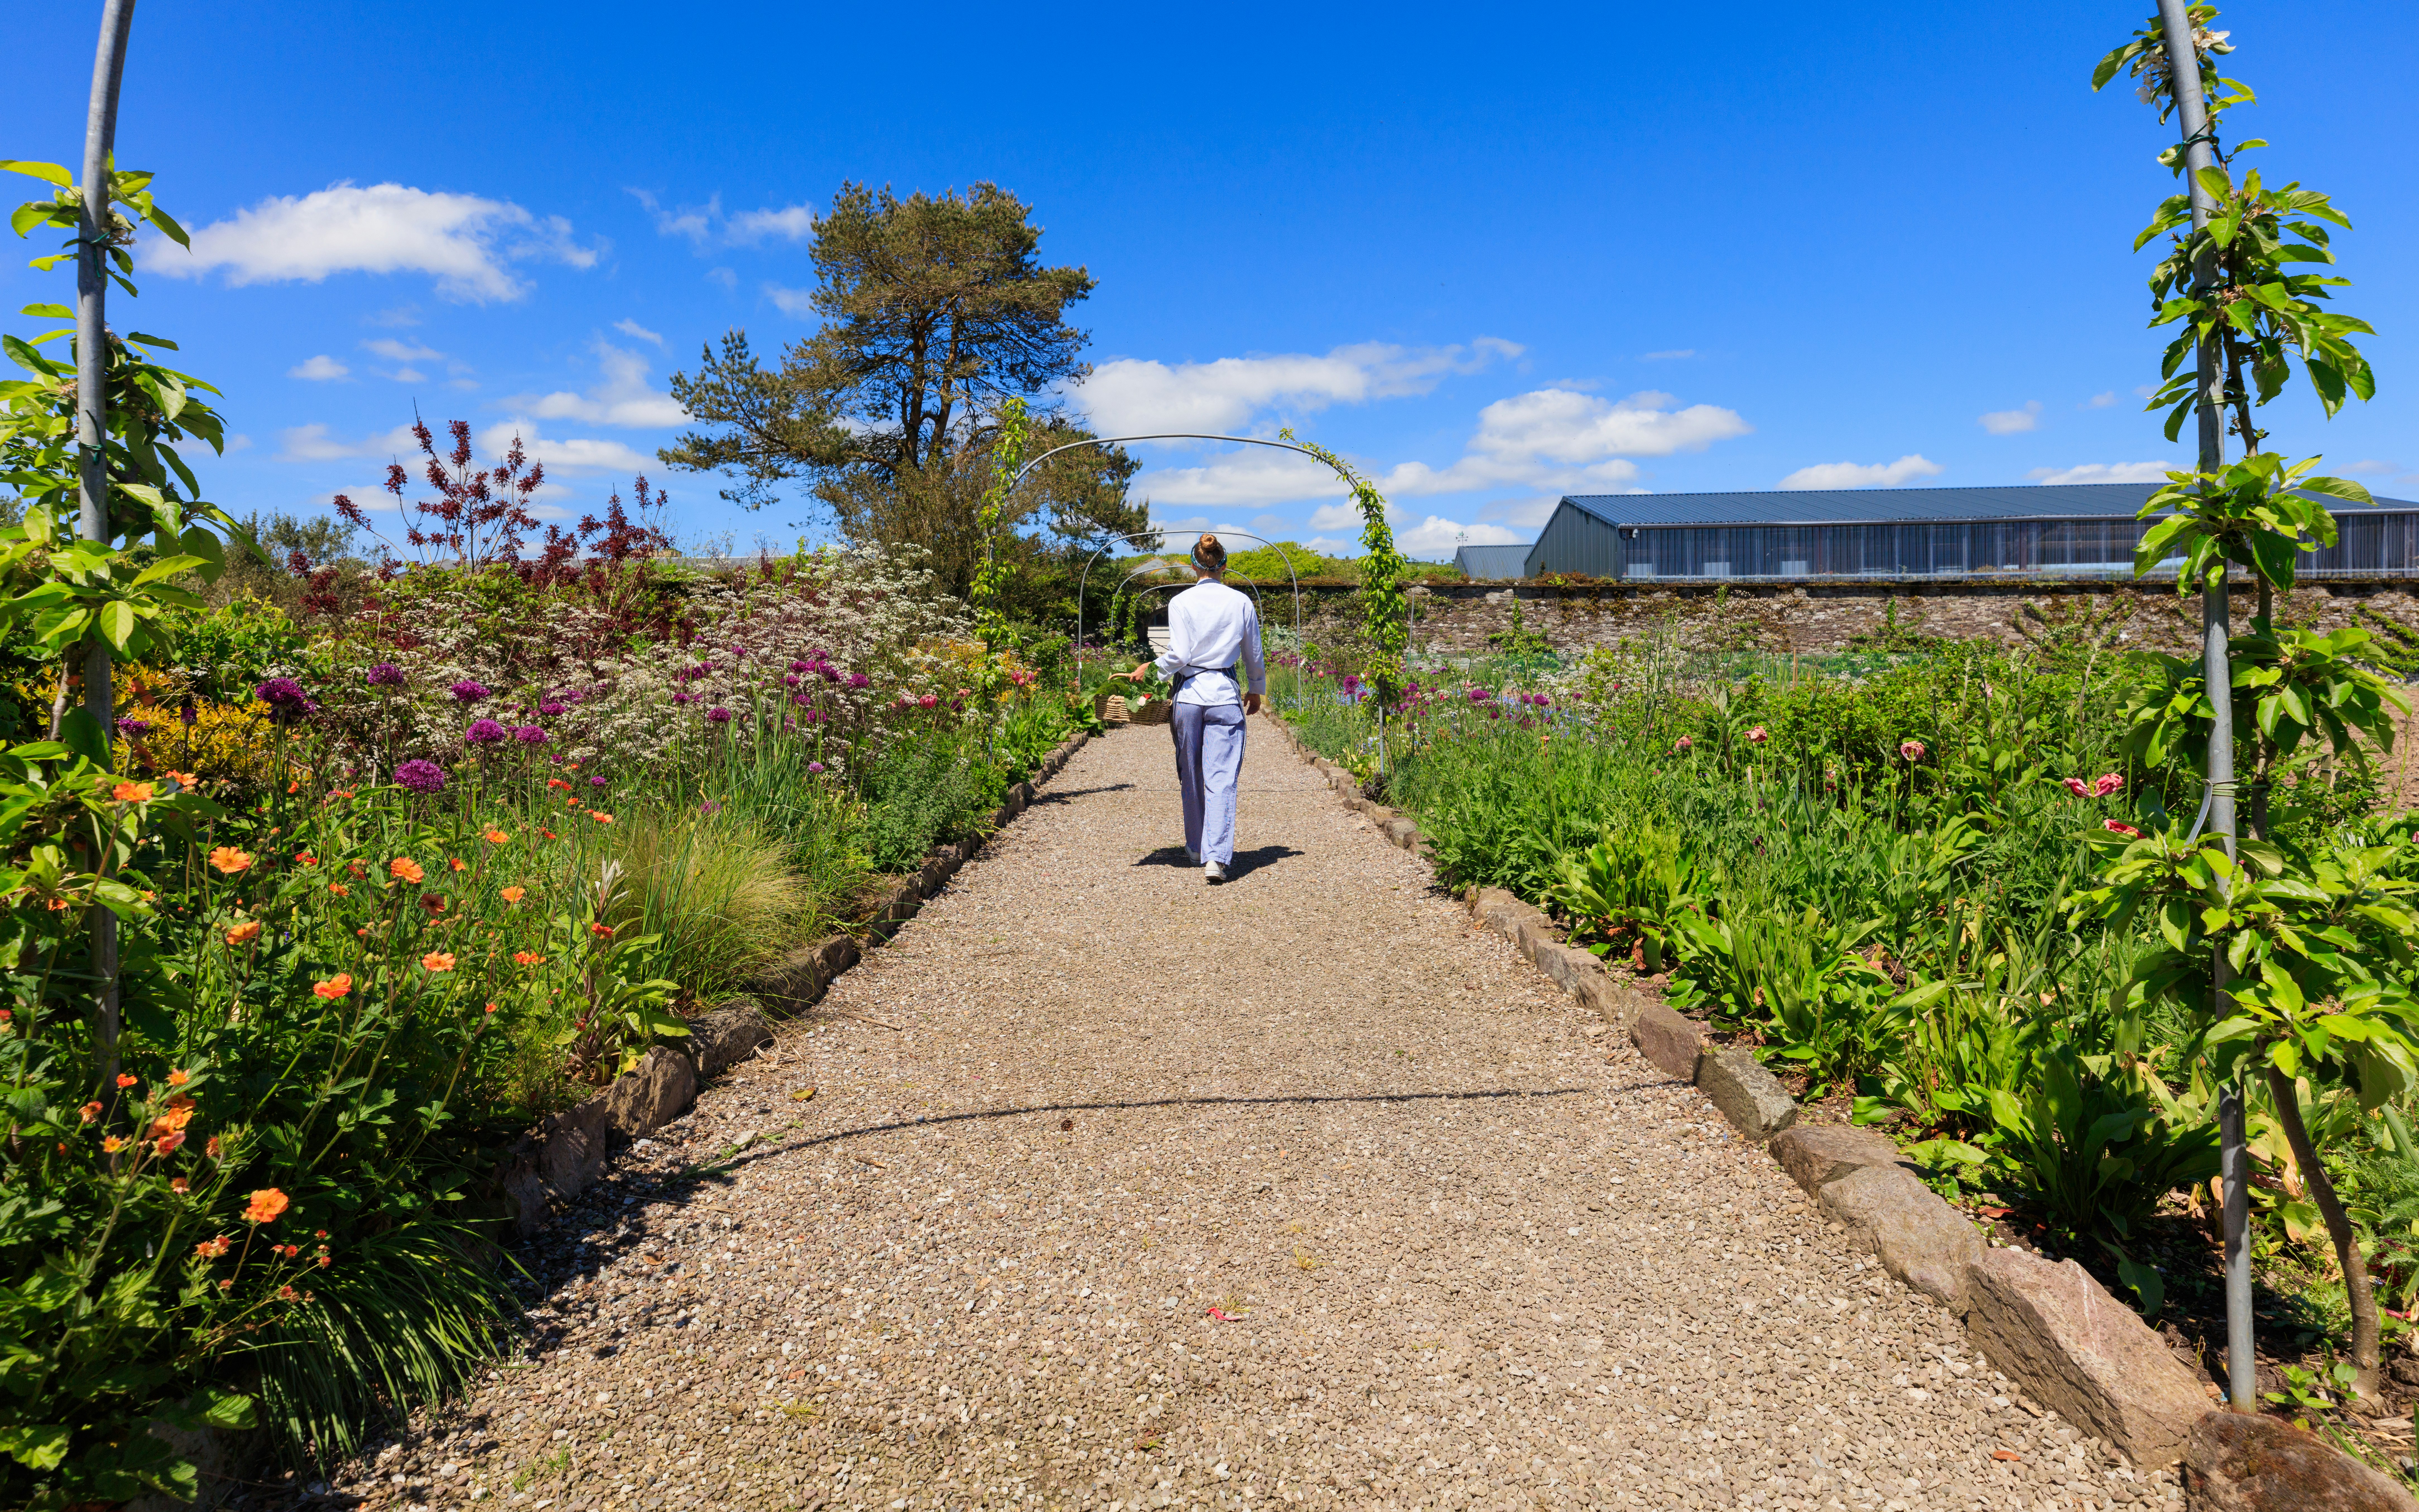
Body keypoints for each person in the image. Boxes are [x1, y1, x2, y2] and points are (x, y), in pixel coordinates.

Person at [1122, 534, 1264, 883]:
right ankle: (1216, 858)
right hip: (1225, 696)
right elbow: (1254, 653)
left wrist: (1148, 669)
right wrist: (1257, 691)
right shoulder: (1241, 602)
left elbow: (1180, 655)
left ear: (1192, 565)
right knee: (1222, 778)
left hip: (1188, 697)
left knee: (1191, 773)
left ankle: (1197, 847)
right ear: (1224, 565)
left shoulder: (1181, 602)